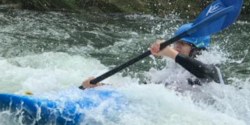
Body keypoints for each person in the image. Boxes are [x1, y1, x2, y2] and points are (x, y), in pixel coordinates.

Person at [81, 23, 223, 89]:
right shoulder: (172, 71)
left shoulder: (211, 69)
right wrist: (101, 85)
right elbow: (144, 90)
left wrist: (169, 52)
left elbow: (205, 73)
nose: (177, 46)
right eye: (176, 42)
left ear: (197, 49)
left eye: (184, 43)